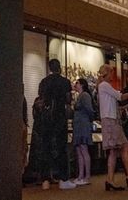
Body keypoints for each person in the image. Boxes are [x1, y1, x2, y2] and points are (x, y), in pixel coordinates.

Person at [97, 64, 128, 190]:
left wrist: (125, 106)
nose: (113, 76)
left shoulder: (103, 87)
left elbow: (114, 105)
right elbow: (121, 96)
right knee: (125, 146)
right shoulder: (105, 85)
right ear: (108, 73)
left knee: (114, 151)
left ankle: (110, 180)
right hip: (111, 121)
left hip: (110, 119)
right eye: (111, 73)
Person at [36, 59, 75, 190]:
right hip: (59, 117)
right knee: (61, 147)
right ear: (60, 67)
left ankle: (45, 180)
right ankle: (63, 179)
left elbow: (40, 101)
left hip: (46, 118)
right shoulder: (65, 82)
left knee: (45, 147)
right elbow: (68, 99)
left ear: (49, 68)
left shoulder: (44, 82)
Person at [72, 78, 93, 186]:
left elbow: (90, 110)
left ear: (82, 85)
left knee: (83, 149)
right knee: (79, 150)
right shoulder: (80, 96)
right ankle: (81, 175)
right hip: (79, 124)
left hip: (83, 124)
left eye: (77, 83)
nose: (75, 85)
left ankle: (87, 176)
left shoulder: (84, 96)